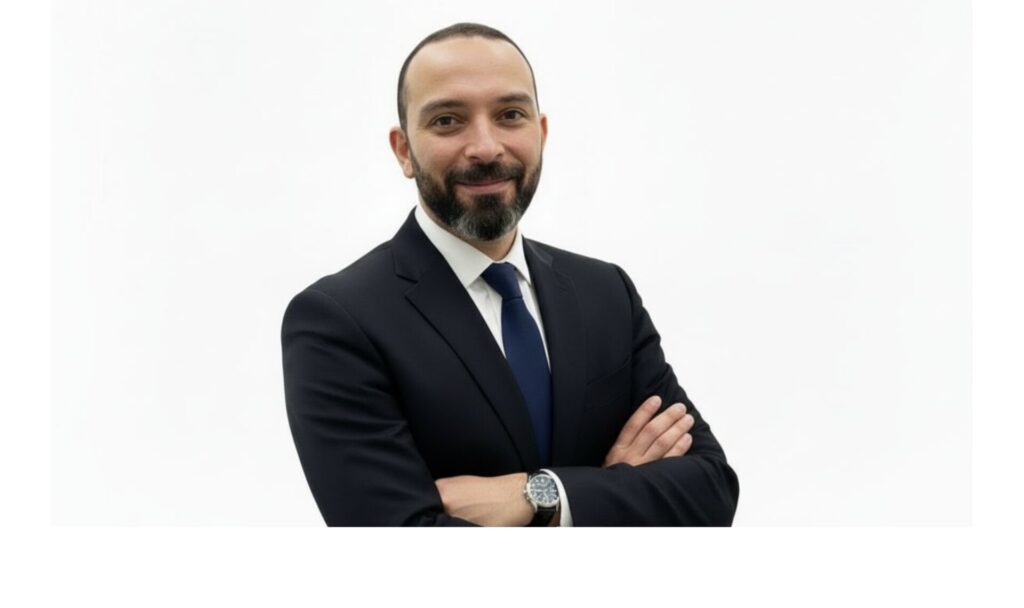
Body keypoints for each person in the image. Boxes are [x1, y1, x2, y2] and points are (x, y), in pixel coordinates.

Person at [281, 22, 739, 526]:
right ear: (403, 150)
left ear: (541, 133)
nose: (486, 147)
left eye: (510, 115)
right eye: (448, 121)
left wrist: (543, 496)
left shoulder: (606, 293)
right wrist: (615, 493)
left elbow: (711, 492)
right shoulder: (338, 322)